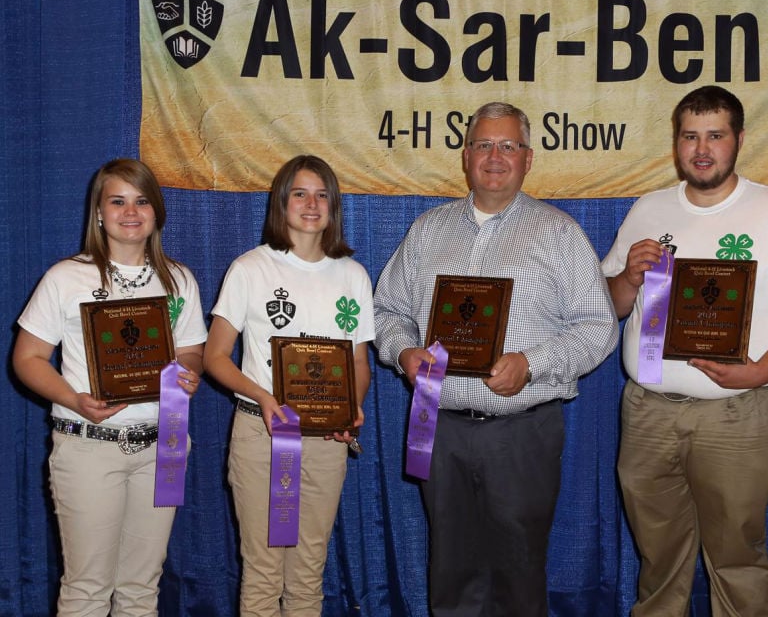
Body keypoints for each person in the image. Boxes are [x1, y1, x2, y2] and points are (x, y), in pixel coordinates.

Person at [602, 85, 768, 616]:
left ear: (738, 140)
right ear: (676, 143)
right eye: (690, 136)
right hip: (647, 411)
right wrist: (627, 277)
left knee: (737, 556)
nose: (701, 149)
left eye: (715, 135)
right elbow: (613, 307)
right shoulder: (648, 208)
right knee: (656, 560)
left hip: (741, 413)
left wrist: (758, 373)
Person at [373, 101, 617, 616]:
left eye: (509, 145)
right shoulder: (427, 231)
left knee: (519, 571)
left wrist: (531, 362)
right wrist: (403, 352)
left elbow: (599, 329)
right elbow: (385, 311)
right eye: (484, 144)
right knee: (450, 570)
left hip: (522, 432)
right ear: (466, 157)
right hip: (439, 427)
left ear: (528, 159)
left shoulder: (560, 233)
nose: (495, 156)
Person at [12, 158, 206, 616]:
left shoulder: (179, 279)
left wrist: (188, 372)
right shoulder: (66, 277)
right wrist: (73, 400)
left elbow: (193, 350)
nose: (130, 211)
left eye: (141, 201)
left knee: (142, 587)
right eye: (117, 201)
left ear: (156, 211)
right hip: (89, 445)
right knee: (86, 589)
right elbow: (26, 359)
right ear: (98, 212)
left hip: (166, 446)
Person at [203, 155, 373, 616]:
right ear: (282, 202)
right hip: (264, 433)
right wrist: (262, 395)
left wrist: (351, 409)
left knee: (307, 572)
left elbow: (359, 360)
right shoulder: (251, 268)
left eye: (322, 194)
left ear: (334, 206)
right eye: (300, 193)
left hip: (326, 440)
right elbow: (213, 356)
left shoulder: (352, 275)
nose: (311, 204)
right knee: (262, 572)